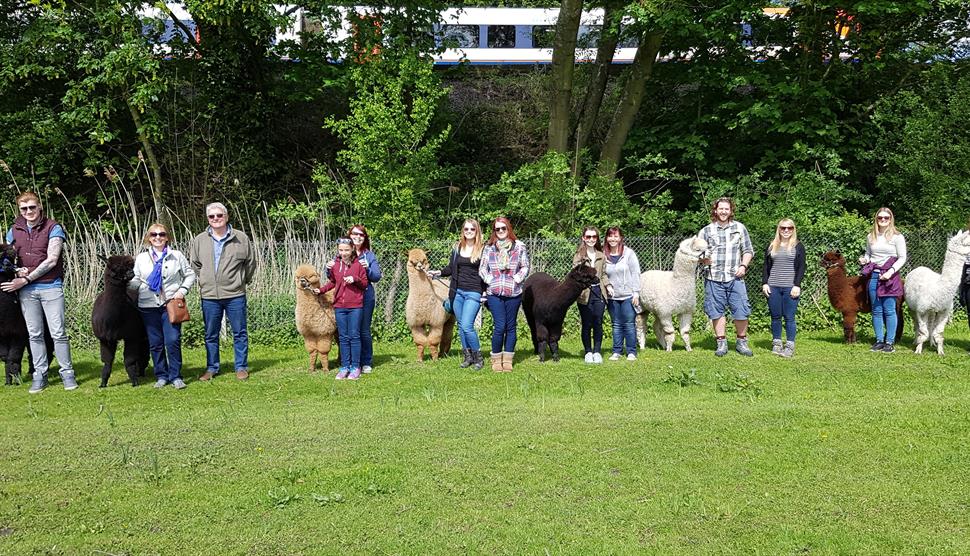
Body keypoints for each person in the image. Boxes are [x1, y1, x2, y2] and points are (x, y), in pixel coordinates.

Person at [1, 192, 77, 393]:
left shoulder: (54, 228)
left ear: (39, 207)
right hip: (27, 291)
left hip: (50, 286)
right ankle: (40, 374)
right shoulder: (14, 230)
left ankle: (67, 373)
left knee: (58, 332)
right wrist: (17, 270)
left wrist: (26, 278)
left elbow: (52, 259)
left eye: (32, 207)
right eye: (24, 209)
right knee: (34, 334)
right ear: (20, 210)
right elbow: (8, 258)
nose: (29, 212)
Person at [189, 203, 256, 381]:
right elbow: (195, 264)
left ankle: (241, 366)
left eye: (219, 215)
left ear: (226, 216)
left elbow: (250, 263)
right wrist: (206, 279)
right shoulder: (199, 240)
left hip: (235, 295)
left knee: (239, 332)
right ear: (208, 219)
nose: (216, 219)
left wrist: (241, 281)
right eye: (212, 216)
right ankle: (212, 368)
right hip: (210, 296)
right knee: (211, 334)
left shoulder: (241, 238)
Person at [130, 223, 196, 389]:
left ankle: (176, 376)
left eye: (161, 234)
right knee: (155, 342)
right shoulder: (141, 258)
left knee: (172, 340)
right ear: (149, 238)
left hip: (171, 303)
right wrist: (125, 284)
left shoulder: (176, 256)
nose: (157, 237)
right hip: (148, 305)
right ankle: (161, 375)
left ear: (167, 237)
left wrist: (182, 290)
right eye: (154, 234)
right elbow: (136, 279)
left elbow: (189, 274)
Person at [699, 197, 755, 357]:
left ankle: (741, 342)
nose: (723, 211)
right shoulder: (706, 231)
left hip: (735, 277)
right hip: (713, 277)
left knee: (741, 310)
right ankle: (721, 343)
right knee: (716, 312)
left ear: (731, 211)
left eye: (726, 209)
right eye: (720, 209)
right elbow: (697, 253)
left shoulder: (739, 228)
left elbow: (748, 250)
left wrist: (743, 266)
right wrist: (703, 259)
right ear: (715, 211)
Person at [430, 219, 487, 370]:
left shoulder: (483, 249)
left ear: (477, 231)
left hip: (474, 292)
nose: (469, 231)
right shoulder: (457, 248)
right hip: (457, 292)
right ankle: (467, 357)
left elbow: (488, 271)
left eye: (472, 229)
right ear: (463, 231)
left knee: (468, 326)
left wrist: (486, 291)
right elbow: (451, 268)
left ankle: (478, 358)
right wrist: (439, 272)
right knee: (461, 326)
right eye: (466, 229)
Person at [479, 217, 529, 372]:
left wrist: (516, 279)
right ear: (494, 231)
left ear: (508, 229)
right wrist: (490, 280)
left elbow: (525, 266)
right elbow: (482, 268)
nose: (500, 231)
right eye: (497, 229)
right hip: (494, 293)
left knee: (511, 326)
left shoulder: (519, 247)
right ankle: (496, 359)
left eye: (503, 228)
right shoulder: (489, 248)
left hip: (513, 292)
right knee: (500, 326)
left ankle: (508, 359)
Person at [318, 237, 368, 380]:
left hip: (355, 306)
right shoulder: (335, 265)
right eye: (341, 250)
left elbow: (364, 284)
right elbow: (333, 282)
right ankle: (344, 367)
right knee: (343, 337)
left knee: (354, 336)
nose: (344, 252)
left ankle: (355, 367)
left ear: (352, 249)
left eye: (346, 250)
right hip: (339, 306)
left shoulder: (358, 265)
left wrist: (355, 279)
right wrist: (320, 290)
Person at [859, 207, 906, 353]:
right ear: (876, 219)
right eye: (880, 218)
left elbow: (902, 257)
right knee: (876, 310)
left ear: (891, 219)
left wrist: (891, 272)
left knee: (890, 310)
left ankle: (889, 342)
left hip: (889, 277)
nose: (883, 220)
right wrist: (864, 259)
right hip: (874, 275)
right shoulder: (871, 236)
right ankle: (879, 340)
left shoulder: (897, 237)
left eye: (886, 218)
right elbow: (868, 253)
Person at [761, 218, 805, 358]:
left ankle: (789, 346)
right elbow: (766, 266)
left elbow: (801, 267)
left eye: (789, 228)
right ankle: (777, 343)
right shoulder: (772, 245)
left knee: (789, 317)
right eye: (783, 228)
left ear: (793, 229)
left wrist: (797, 285)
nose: (786, 230)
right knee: (775, 317)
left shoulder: (798, 246)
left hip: (790, 287)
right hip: (773, 286)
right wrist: (765, 283)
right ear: (778, 229)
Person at [573, 226, 611, 364]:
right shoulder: (579, 256)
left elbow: (604, 275)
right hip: (585, 294)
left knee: (598, 323)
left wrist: (608, 286)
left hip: (599, 293)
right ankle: (588, 352)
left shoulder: (601, 255)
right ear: (583, 238)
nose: (591, 239)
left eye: (594, 237)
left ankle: (597, 351)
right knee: (587, 323)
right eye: (588, 237)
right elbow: (577, 275)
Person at [347, 225, 381, 373]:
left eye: (361, 235)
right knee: (350, 330)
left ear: (365, 238)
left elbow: (377, 276)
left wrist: (367, 268)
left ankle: (366, 361)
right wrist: (328, 269)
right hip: (348, 297)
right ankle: (350, 361)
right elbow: (335, 274)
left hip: (366, 296)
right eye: (355, 234)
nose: (358, 237)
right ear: (350, 235)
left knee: (364, 330)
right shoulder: (344, 252)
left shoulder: (369, 255)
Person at [603, 227, 641, 361]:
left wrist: (636, 292)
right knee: (616, 324)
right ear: (607, 238)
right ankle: (617, 351)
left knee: (629, 324)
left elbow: (635, 273)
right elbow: (602, 274)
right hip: (612, 296)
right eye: (610, 236)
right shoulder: (604, 255)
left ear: (620, 238)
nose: (613, 239)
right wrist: (607, 286)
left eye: (615, 236)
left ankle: (631, 351)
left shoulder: (629, 253)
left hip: (628, 295)